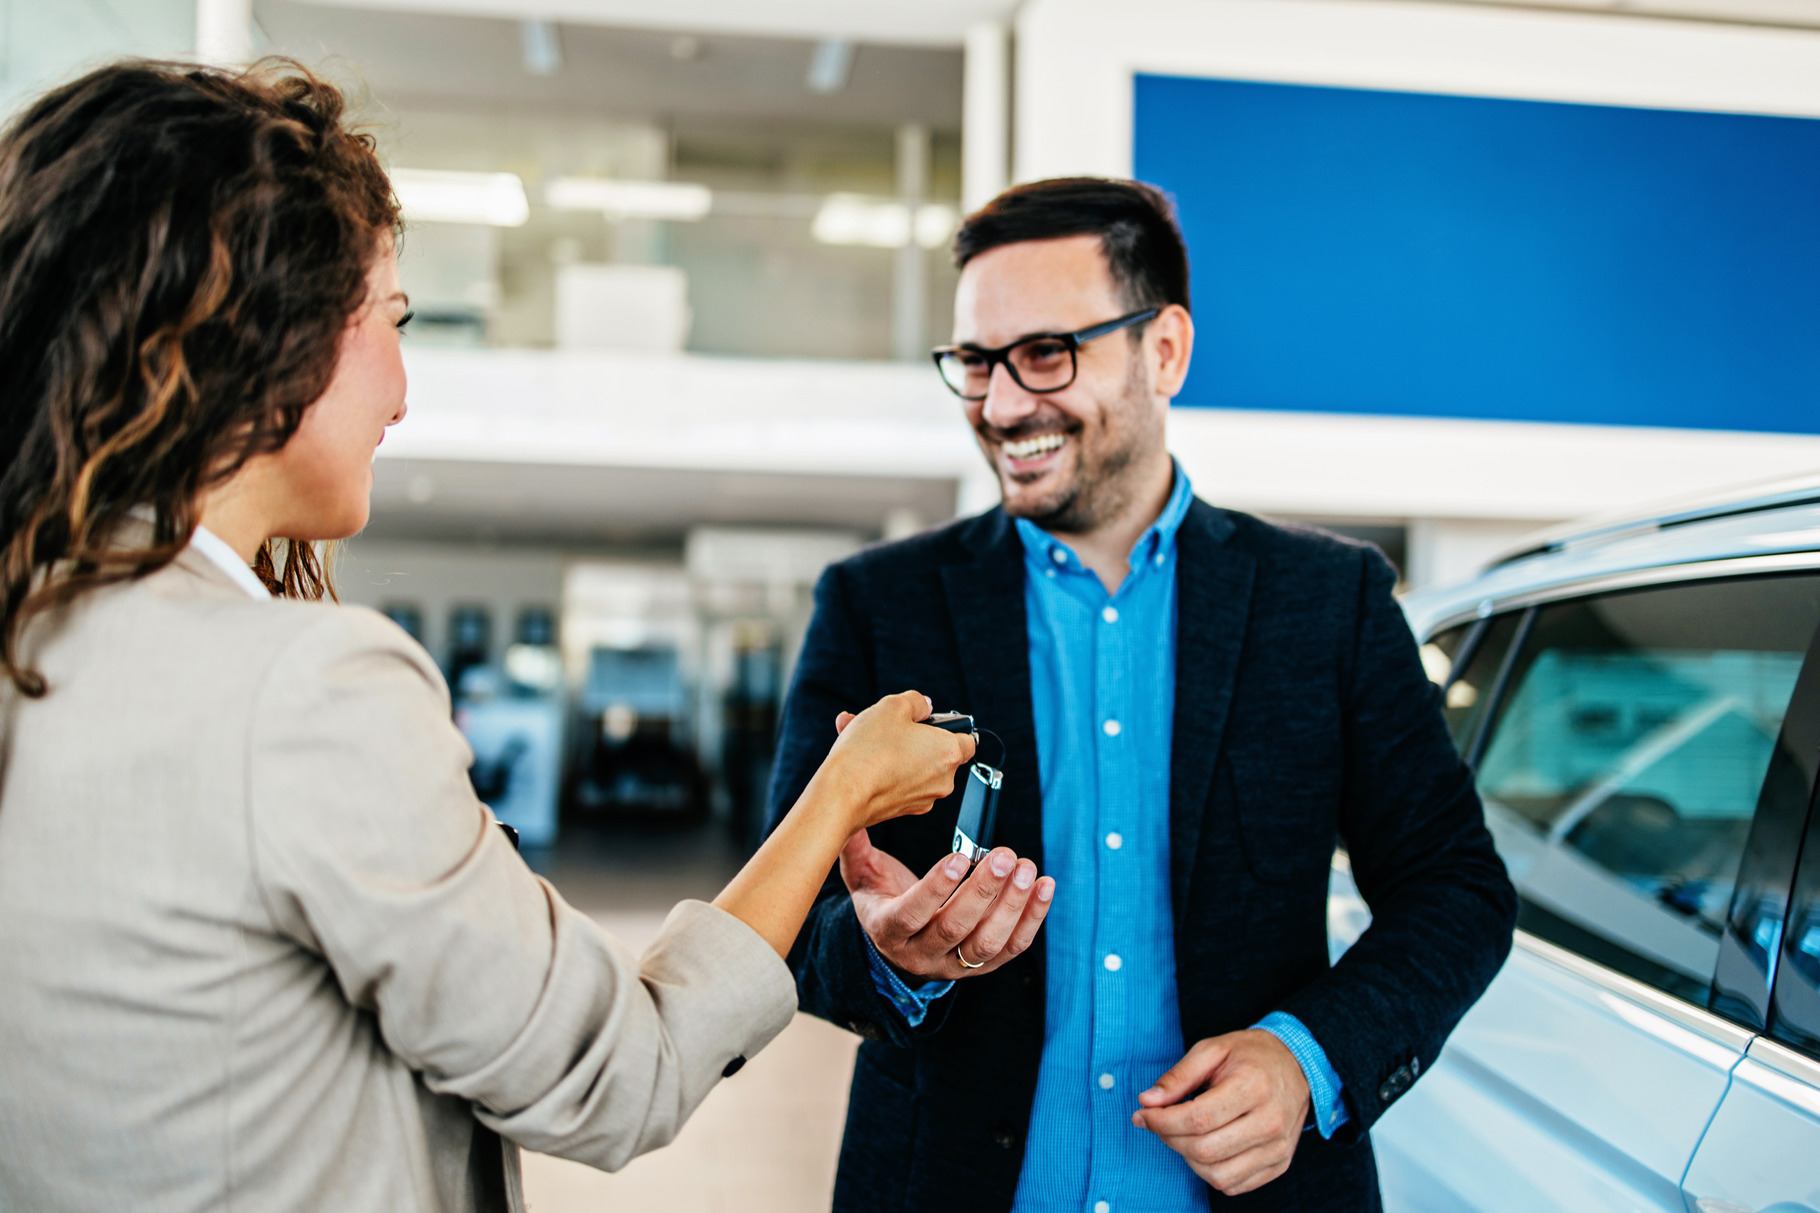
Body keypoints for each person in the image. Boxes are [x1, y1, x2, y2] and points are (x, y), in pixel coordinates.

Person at [0, 61, 975, 1213]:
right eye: (390, 323)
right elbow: (624, 1074)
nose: (402, 393)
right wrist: (838, 796)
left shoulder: (44, 641)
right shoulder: (301, 689)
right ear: (264, 328)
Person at [766, 178, 1518, 1211]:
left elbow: (1453, 889)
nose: (999, 405)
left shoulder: (1326, 601)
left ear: (1162, 350)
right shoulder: (875, 605)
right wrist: (887, 954)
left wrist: (1307, 1059)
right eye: (976, 364)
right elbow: (795, 922)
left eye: (1044, 354)